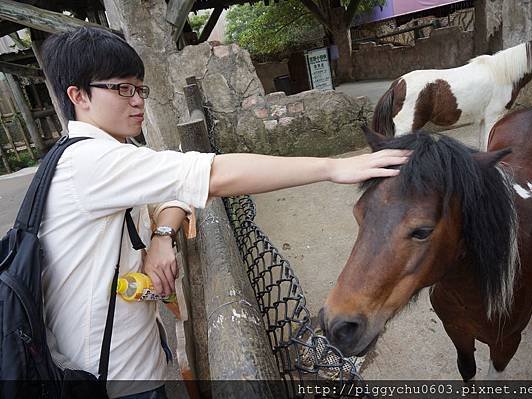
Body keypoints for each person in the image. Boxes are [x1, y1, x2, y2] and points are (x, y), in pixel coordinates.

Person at [39, 26, 410, 399]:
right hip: (109, 376)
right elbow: (211, 174)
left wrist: (162, 237)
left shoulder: (107, 154)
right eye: (122, 89)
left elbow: (172, 196)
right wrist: (333, 169)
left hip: (129, 358)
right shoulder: (90, 162)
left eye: (140, 88)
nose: (138, 101)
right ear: (79, 96)